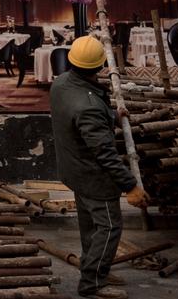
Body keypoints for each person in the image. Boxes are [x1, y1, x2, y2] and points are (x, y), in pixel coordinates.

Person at [50, 36, 149, 299]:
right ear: (100, 65)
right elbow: (105, 154)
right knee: (109, 227)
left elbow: (78, 116)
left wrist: (111, 116)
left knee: (91, 226)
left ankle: (93, 270)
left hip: (73, 170)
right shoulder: (89, 106)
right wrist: (130, 186)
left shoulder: (61, 83)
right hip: (94, 177)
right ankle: (92, 283)